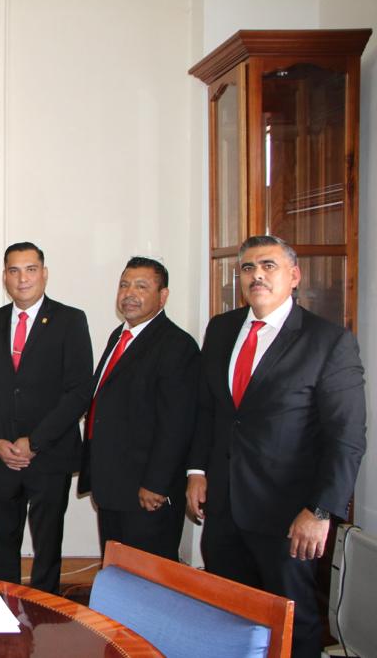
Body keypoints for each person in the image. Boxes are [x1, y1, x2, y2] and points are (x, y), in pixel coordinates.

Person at [186, 235, 366, 658]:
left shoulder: (328, 341)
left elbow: (346, 436)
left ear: (294, 275)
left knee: (293, 626)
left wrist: (321, 511)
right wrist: (197, 471)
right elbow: (209, 410)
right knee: (227, 616)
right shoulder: (221, 329)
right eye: (248, 268)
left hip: (289, 517)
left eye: (269, 265)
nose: (257, 275)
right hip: (224, 509)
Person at [0, 242, 93, 592]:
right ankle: (4, 601)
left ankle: (45, 608)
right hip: (3, 455)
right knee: (4, 541)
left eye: (30, 269)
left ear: (44, 274)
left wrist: (35, 441)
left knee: (47, 543)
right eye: (14, 270)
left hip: (49, 454)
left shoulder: (70, 320)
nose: (22, 278)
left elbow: (79, 392)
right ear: (5, 277)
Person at [77, 257, 199, 560]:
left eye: (141, 286)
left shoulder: (176, 345)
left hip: (146, 491)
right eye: (124, 285)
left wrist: (156, 484)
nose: (129, 293)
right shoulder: (120, 335)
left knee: (146, 576)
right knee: (116, 570)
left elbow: (177, 424)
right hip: (113, 485)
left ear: (163, 296)